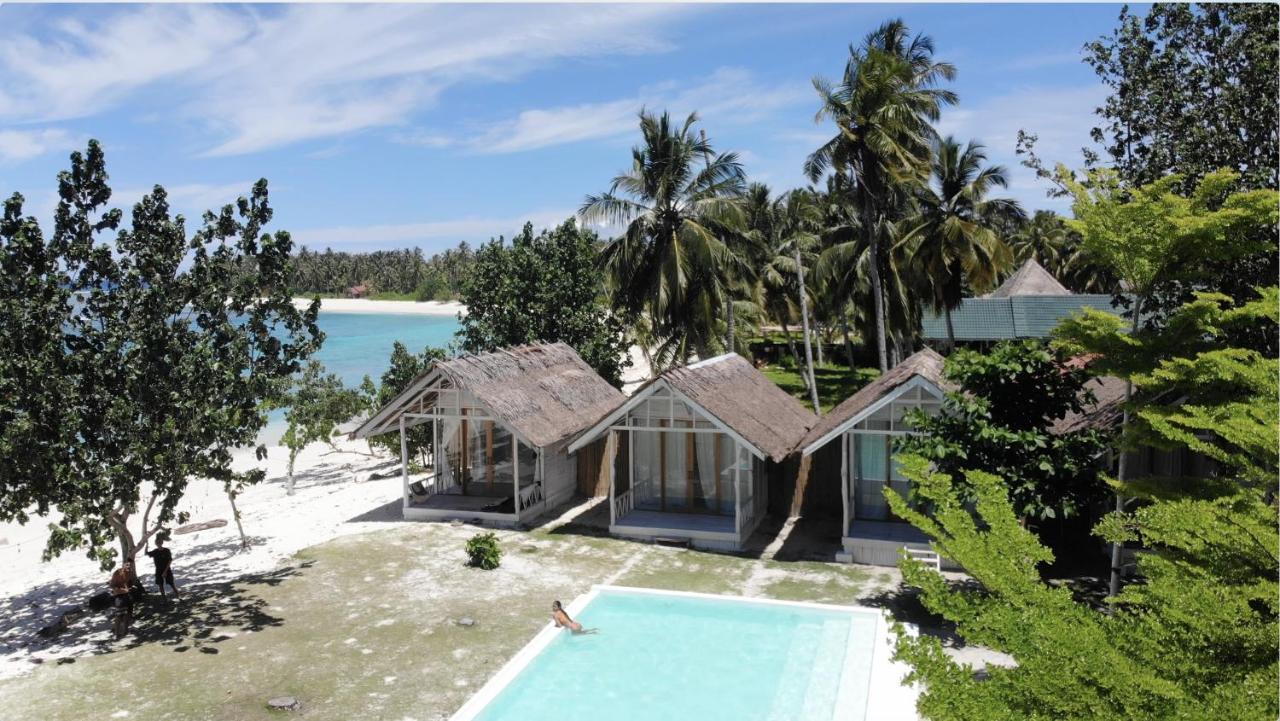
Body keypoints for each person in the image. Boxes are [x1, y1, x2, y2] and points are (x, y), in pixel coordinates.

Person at [109, 558, 135, 638]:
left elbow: (128, 583)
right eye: (127, 565)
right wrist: (120, 590)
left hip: (127, 594)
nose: (128, 567)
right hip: (119, 595)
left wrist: (129, 588)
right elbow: (112, 585)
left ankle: (125, 631)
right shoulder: (117, 573)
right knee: (119, 615)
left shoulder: (130, 572)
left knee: (128, 613)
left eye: (130, 566)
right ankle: (116, 633)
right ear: (123, 565)